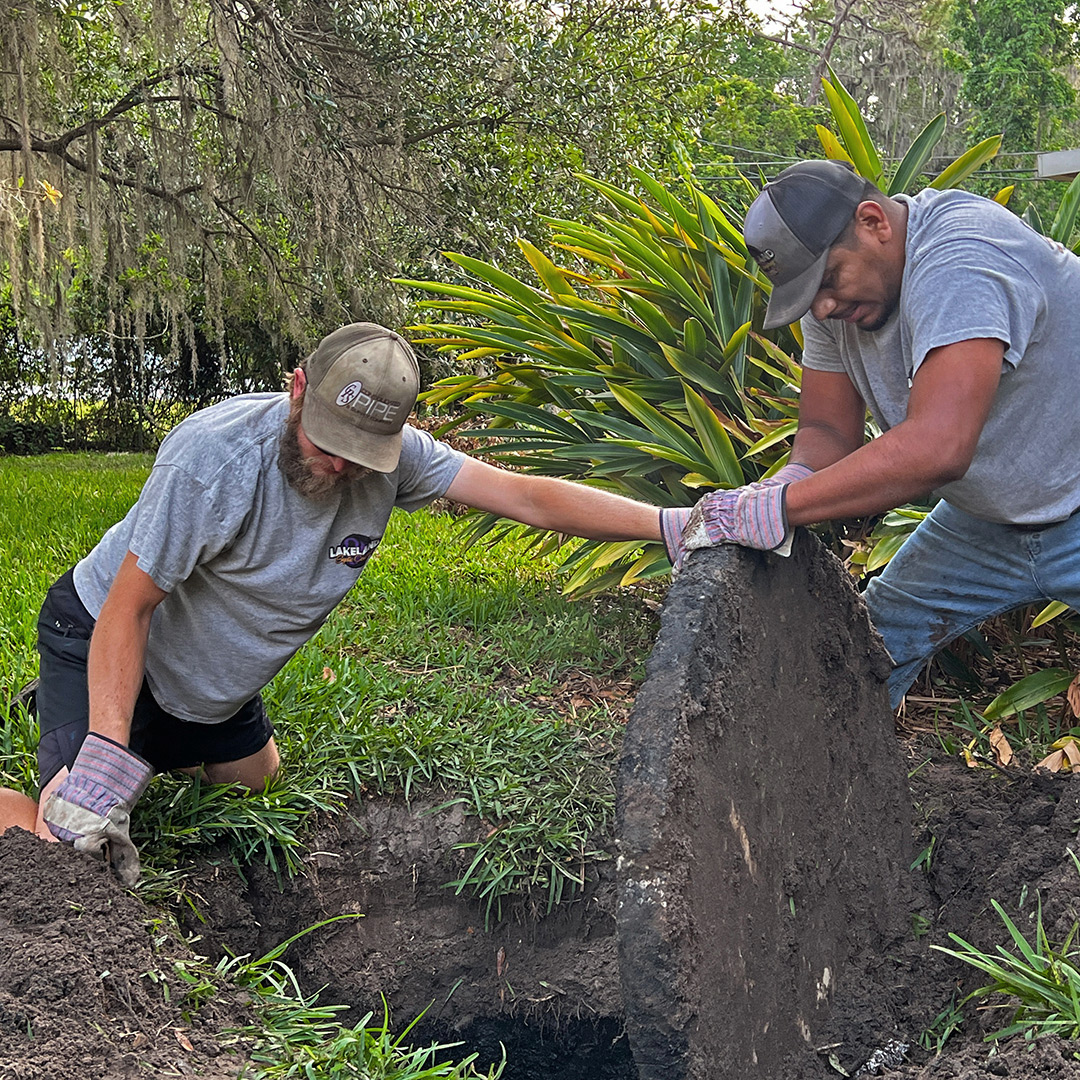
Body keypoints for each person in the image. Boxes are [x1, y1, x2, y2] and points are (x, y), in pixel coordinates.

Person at [4, 322, 673, 883]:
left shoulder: (395, 458)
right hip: (105, 632)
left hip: (208, 683)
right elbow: (128, 609)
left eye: (363, 454)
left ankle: (126, 736)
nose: (341, 467)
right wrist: (101, 764)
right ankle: (86, 721)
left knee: (255, 781)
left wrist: (676, 525)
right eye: (328, 444)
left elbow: (526, 496)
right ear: (299, 388)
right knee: (72, 846)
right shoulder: (213, 460)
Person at [664, 158, 1080, 710]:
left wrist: (777, 510)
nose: (825, 306)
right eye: (810, 294)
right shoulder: (833, 306)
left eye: (829, 280)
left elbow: (937, 448)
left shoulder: (965, 257)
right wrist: (788, 481)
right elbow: (826, 429)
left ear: (874, 222)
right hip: (990, 522)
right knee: (868, 650)